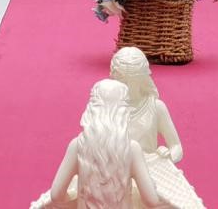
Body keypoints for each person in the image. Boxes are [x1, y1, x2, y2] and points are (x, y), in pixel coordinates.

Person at [30, 79, 175, 209]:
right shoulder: (132, 149)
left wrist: (73, 200)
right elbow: (151, 200)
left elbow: (56, 195)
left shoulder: (77, 146)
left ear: (92, 109)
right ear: (123, 111)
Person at [108, 48, 203, 208]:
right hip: (116, 171)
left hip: (150, 170)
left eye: (132, 81)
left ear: (142, 79)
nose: (127, 86)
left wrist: (168, 155)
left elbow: (177, 146)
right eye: (122, 81)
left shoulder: (156, 107)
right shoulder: (108, 108)